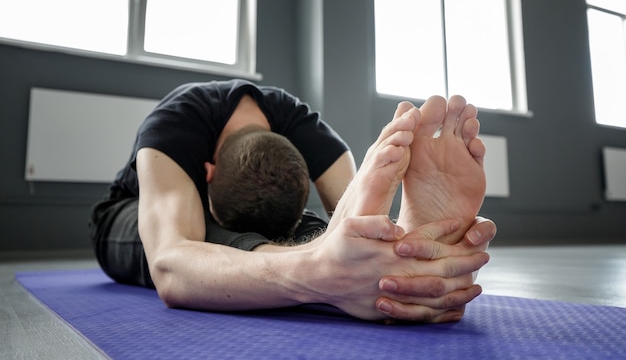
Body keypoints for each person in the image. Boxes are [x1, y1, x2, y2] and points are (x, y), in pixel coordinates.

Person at [90, 79, 495, 322]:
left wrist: (389, 246)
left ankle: (406, 252)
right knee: (200, 240)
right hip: (134, 211)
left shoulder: (307, 131)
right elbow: (170, 264)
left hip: (277, 216)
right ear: (206, 171)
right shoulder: (174, 126)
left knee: (334, 238)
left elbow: (356, 224)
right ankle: (317, 269)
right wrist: (322, 270)